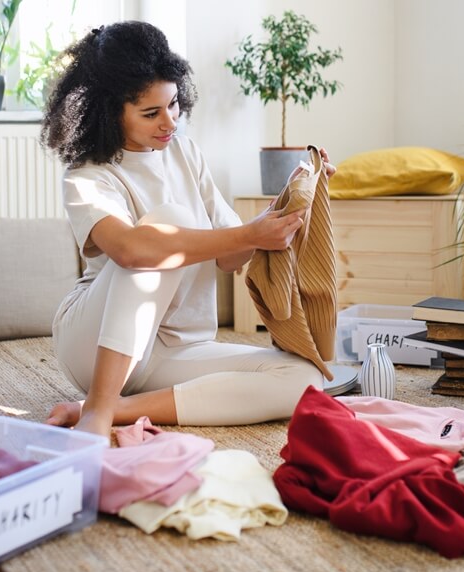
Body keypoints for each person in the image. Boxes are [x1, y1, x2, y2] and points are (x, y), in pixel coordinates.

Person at [39, 20, 336, 437]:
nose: (170, 122)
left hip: (179, 348)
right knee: (167, 225)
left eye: (174, 104)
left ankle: (119, 408)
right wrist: (248, 234)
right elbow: (131, 250)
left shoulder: (186, 153)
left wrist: (288, 204)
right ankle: (98, 408)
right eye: (151, 113)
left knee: (305, 379)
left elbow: (232, 255)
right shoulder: (87, 175)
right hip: (95, 346)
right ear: (109, 111)